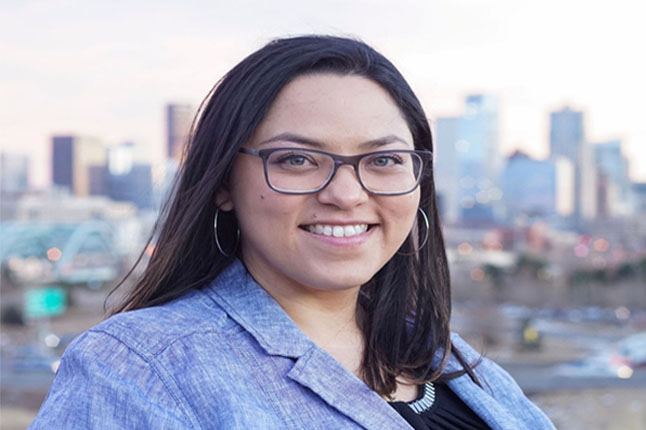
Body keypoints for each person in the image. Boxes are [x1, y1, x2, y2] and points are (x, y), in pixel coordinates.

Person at [30, 35, 555, 430]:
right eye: (297, 159)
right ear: (223, 183)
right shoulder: (137, 371)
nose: (346, 194)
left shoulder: (445, 354)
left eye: (384, 160)